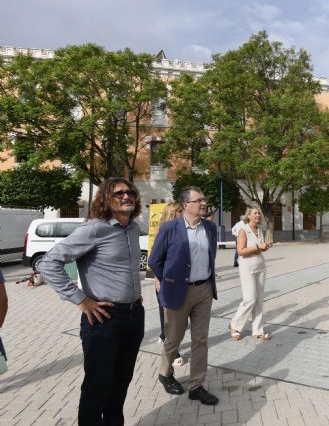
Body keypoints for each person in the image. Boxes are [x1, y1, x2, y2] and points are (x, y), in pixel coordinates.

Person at [39, 177, 144, 425]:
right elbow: (49, 263)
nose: (126, 196)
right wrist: (81, 300)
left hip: (134, 315)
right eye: (118, 194)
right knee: (98, 386)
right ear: (106, 199)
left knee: (121, 382)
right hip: (103, 318)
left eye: (129, 192)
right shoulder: (94, 229)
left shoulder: (132, 228)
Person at [149, 186, 219, 406]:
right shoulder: (170, 228)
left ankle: (197, 385)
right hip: (178, 291)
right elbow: (154, 261)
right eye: (198, 200)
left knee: (200, 339)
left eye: (204, 199)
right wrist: (167, 280)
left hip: (204, 290)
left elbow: (211, 255)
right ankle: (165, 373)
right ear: (186, 204)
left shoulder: (210, 227)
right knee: (174, 338)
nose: (203, 203)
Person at [229, 206, 273, 340]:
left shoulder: (259, 230)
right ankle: (235, 325)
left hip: (260, 267)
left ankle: (258, 331)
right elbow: (241, 251)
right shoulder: (244, 230)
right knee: (250, 299)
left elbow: (258, 249)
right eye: (255, 213)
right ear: (248, 216)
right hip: (247, 268)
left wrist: (265, 247)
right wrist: (258, 247)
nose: (258, 215)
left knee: (259, 301)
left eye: (259, 213)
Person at [154, 202, 185, 367]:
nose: (183, 213)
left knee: (174, 318)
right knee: (170, 319)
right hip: (166, 282)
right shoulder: (164, 231)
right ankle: (174, 353)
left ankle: (163, 335)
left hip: (180, 282)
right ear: (173, 214)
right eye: (180, 211)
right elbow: (155, 260)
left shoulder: (183, 231)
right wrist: (159, 279)